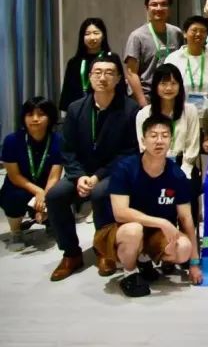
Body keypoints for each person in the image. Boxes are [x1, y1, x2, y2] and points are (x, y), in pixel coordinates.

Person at [46, 53, 139, 281]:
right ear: (89, 76)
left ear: (118, 78)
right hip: (81, 173)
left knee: (100, 193)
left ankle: (104, 251)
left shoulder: (130, 109)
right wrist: (79, 176)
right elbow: (67, 150)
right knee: (55, 195)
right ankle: (71, 253)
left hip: (113, 172)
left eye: (109, 73)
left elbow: (129, 152)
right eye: (97, 72)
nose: (103, 77)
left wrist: (97, 177)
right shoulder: (75, 108)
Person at [93, 115, 202, 297]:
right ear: (143, 141)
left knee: (183, 248)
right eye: (153, 135)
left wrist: (194, 263)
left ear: (171, 141)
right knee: (134, 231)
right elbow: (120, 213)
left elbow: (186, 218)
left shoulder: (177, 175)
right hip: (119, 229)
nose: (159, 141)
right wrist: (162, 222)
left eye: (165, 135)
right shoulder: (125, 168)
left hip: (154, 233)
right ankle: (130, 272)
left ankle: (143, 258)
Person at [1, 97, 63, 247]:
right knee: (13, 196)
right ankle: (16, 232)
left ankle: (50, 222)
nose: (35, 119)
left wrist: (44, 198)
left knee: (59, 193)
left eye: (41, 114)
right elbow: (14, 176)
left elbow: (54, 177)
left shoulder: (58, 140)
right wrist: (38, 192)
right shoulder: (11, 141)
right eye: (30, 114)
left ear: (50, 117)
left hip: (47, 184)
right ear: (23, 118)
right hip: (20, 184)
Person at [135, 64, 200, 178]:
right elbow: (144, 147)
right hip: (153, 167)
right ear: (155, 86)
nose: (169, 88)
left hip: (183, 166)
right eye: (163, 83)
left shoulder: (190, 111)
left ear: (180, 86)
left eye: (173, 83)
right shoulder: (144, 114)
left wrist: (183, 173)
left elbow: (192, 145)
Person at [124, 0, 183, 108]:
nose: (159, 8)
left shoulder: (176, 33)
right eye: (154, 4)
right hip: (148, 96)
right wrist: (142, 102)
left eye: (163, 4)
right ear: (147, 8)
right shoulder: (137, 36)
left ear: (169, 8)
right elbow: (131, 73)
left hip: (172, 95)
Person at [164, 16, 208, 116]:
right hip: (180, 113)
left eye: (203, 31)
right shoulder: (173, 59)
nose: (198, 34)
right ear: (185, 33)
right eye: (194, 30)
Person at [59, 17, 112, 115]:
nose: (92, 38)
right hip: (79, 113)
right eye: (87, 34)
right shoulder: (74, 62)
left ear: (103, 35)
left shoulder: (111, 60)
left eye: (96, 33)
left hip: (107, 111)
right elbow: (67, 94)